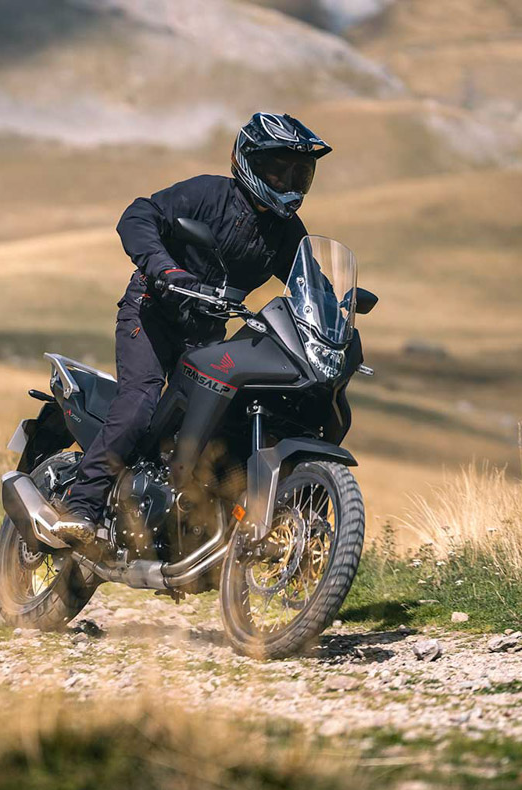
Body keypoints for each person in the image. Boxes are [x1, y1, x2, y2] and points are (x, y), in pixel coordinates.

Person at [49, 112, 333, 546]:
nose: (289, 180)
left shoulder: (286, 233)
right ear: (249, 162)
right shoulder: (209, 194)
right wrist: (163, 267)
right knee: (141, 401)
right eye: (278, 168)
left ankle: (195, 523)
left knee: (214, 425)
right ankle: (81, 505)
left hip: (204, 335)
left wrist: (335, 309)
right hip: (151, 313)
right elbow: (138, 215)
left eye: (300, 171)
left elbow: (309, 281)